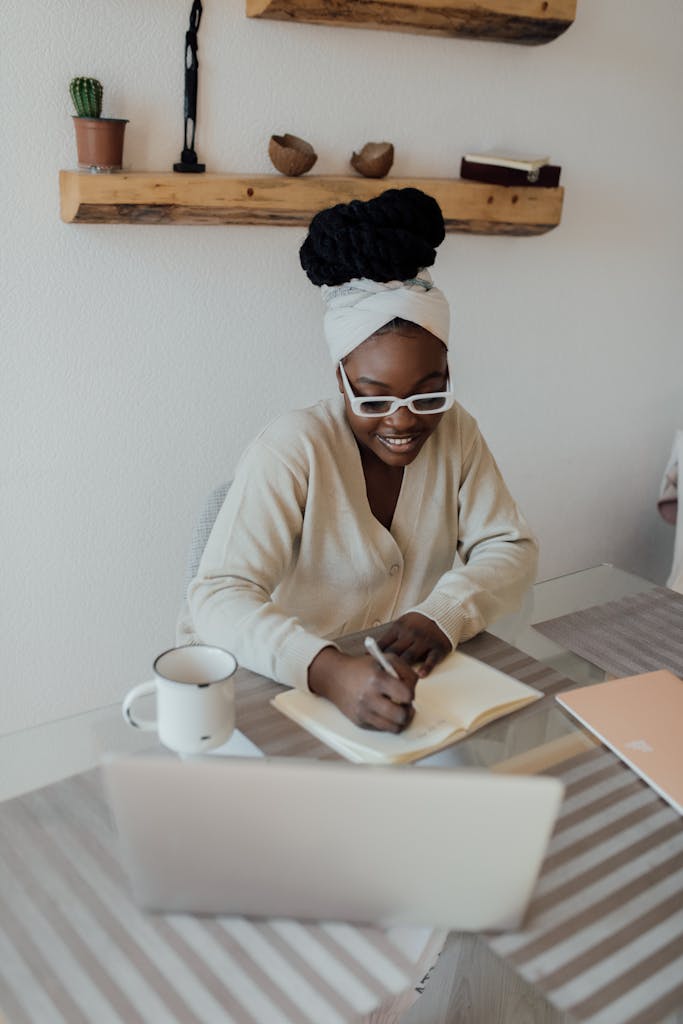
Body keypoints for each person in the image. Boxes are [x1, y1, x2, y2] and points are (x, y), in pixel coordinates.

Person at [178, 188, 538, 732]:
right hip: (279, 696)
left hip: (402, 692)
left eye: (428, 394)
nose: (402, 421)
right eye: (373, 397)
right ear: (340, 381)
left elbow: (509, 546)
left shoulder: (457, 433)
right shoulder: (293, 449)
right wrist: (329, 672)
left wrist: (441, 614)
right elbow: (218, 597)